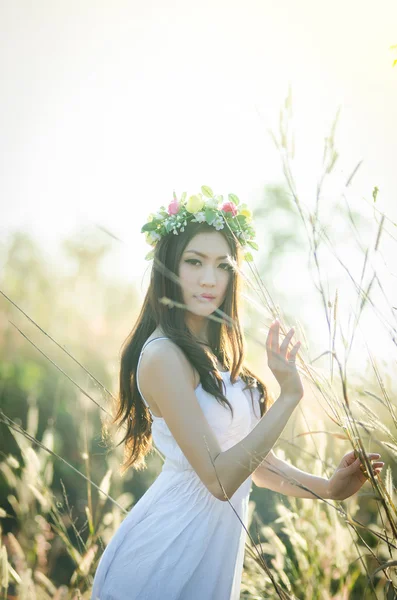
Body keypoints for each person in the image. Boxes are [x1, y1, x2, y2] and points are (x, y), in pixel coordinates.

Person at [91, 187, 384, 600]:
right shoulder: (163, 356)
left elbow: (252, 464)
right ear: (169, 268)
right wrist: (287, 398)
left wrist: (329, 488)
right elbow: (220, 479)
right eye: (194, 262)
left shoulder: (214, 355)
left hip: (211, 554)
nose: (209, 279)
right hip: (164, 559)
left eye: (222, 265)